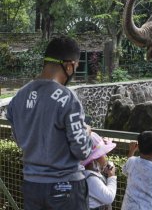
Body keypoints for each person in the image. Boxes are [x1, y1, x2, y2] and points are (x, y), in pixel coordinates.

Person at [6, 36, 92, 210]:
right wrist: (87, 133)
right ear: (69, 65)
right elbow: (82, 150)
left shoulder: (18, 97)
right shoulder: (67, 99)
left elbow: (19, 138)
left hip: (32, 186)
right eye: (76, 67)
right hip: (66, 187)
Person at [81, 132, 117, 210]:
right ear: (95, 158)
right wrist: (111, 176)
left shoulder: (88, 173)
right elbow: (109, 197)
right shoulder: (91, 178)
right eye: (103, 154)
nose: (105, 156)